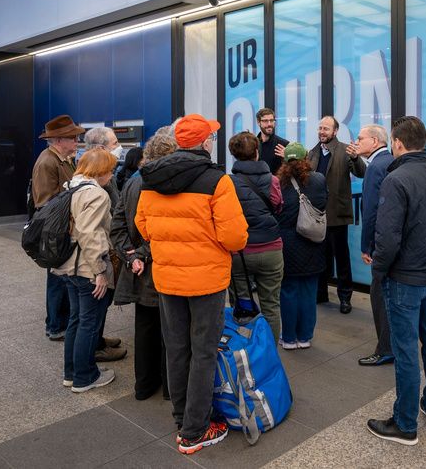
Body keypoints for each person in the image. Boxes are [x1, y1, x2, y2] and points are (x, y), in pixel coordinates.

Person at [135, 113, 248, 455]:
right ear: (204, 143)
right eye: (211, 137)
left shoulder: (150, 178)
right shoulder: (218, 180)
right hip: (207, 280)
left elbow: (144, 226)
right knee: (204, 351)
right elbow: (235, 237)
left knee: (177, 348)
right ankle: (195, 430)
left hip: (168, 278)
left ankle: (181, 416)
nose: (213, 142)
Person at [366, 116, 426, 446]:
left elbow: (388, 238)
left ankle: (405, 423)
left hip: (404, 278)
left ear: (397, 143)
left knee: (406, 349)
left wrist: (379, 271)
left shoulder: (396, 179)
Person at [111, 136, 177, 400]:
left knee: (145, 327)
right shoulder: (166, 186)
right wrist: (140, 254)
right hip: (162, 267)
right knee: (170, 330)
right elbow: (165, 231)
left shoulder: (131, 183)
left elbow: (116, 227)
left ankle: (144, 385)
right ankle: (169, 388)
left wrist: (131, 257)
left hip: (138, 271)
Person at [52, 148, 118, 393]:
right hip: (87, 268)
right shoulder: (96, 195)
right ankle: (85, 376)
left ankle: (71, 373)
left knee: (76, 320)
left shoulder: (72, 187)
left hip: (67, 265)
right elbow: (90, 234)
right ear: (99, 171)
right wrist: (100, 270)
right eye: (110, 170)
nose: (111, 175)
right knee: (89, 323)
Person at [31, 114, 85, 341]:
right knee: (57, 280)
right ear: (59, 140)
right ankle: (55, 326)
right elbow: (45, 203)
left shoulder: (63, 159)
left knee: (61, 280)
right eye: (72, 138)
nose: (76, 142)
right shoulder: (47, 162)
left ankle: (57, 323)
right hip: (56, 231)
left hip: (63, 228)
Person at [228, 131, 285, 342]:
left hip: (240, 252)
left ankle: (244, 351)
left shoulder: (228, 183)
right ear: (257, 153)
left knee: (241, 303)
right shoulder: (272, 180)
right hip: (271, 249)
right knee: (271, 306)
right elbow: (278, 208)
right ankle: (269, 354)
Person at [307, 116, 366, 313]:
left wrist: (356, 158)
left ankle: (345, 297)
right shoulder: (312, 153)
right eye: (320, 128)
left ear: (335, 131)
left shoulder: (344, 150)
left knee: (341, 258)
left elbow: (361, 172)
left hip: (337, 214)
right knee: (319, 258)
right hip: (317, 215)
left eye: (326, 128)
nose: (322, 131)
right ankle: (320, 293)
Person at [277, 142, 327, 349]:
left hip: (288, 243)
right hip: (312, 242)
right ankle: (305, 337)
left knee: (288, 290)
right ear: (305, 158)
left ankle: (289, 338)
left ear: (285, 160)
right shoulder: (318, 179)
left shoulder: (279, 183)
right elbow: (324, 203)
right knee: (308, 290)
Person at [83, 127, 127, 362]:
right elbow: (92, 229)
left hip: (102, 252)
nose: (119, 147)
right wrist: (100, 268)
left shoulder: (95, 177)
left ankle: (98, 340)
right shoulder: (98, 184)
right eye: (115, 142)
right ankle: (94, 349)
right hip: (99, 255)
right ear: (101, 149)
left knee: (99, 305)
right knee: (95, 305)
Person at [352, 124, 395, 367]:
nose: (357, 142)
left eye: (361, 138)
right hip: (396, 241)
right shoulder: (390, 161)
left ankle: (386, 348)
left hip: (381, 242)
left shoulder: (376, 167)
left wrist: (366, 245)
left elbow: (370, 211)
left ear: (376, 141)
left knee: (380, 295)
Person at [256, 108, 289, 175]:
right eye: (265, 121)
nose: (269, 124)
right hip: (256, 184)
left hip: (276, 184)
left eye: (271, 120)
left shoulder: (283, 144)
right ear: (258, 122)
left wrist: (287, 158)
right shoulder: (253, 144)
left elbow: (291, 170)